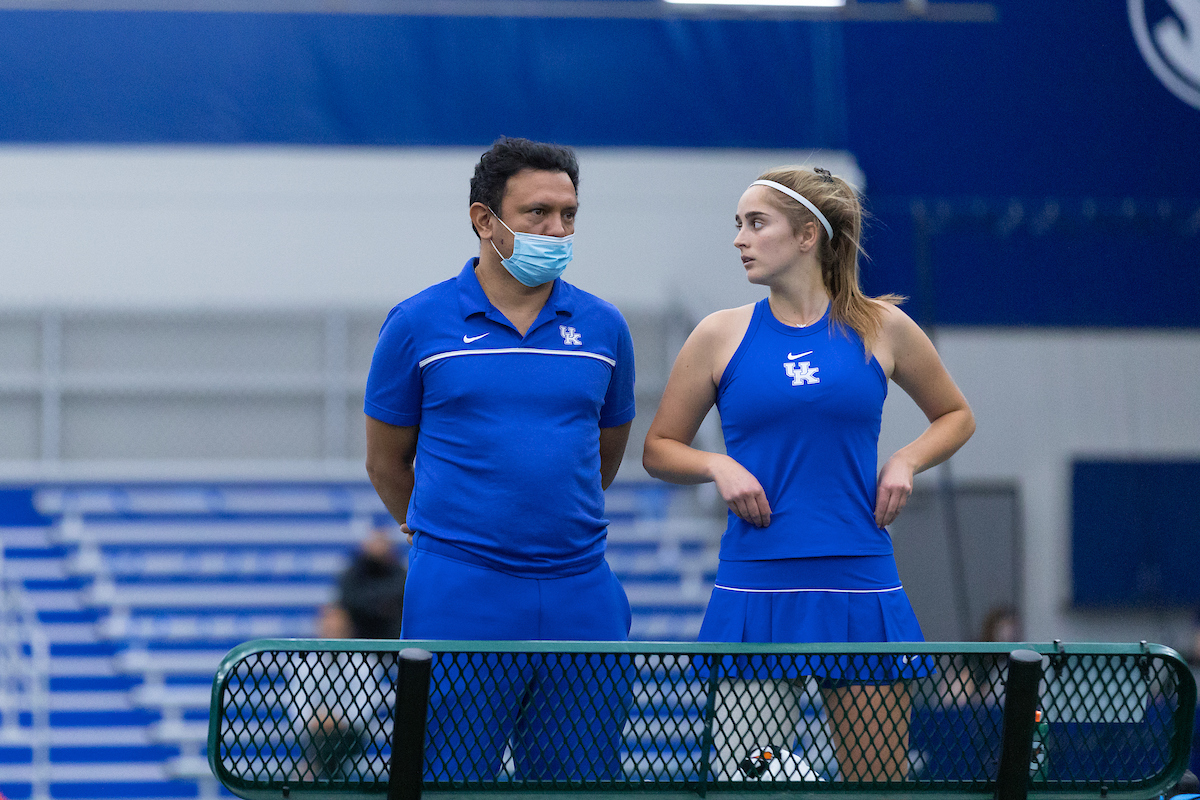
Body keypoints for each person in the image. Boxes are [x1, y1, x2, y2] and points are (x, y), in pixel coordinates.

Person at [642, 166, 975, 782]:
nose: (739, 238)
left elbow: (956, 416)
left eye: (756, 223)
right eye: (738, 224)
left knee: (876, 788)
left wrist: (906, 460)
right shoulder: (718, 333)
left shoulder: (883, 326)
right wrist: (717, 464)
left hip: (860, 584)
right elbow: (659, 448)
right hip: (757, 588)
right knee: (749, 782)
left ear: (806, 236)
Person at [363, 137, 636, 781]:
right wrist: (447, 532)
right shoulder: (416, 322)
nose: (557, 229)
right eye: (538, 212)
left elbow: (604, 453)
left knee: (582, 789)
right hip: (460, 589)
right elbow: (385, 462)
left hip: (582, 590)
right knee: (449, 783)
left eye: (568, 214)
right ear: (484, 219)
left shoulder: (604, 327)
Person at [336, 526, 406, 639]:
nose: (379, 548)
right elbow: (350, 600)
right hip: (359, 635)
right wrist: (380, 606)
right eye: (375, 543)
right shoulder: (353, 573)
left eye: (382, 543)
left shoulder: (400, 573)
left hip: (393, 635)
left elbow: (401, 596)